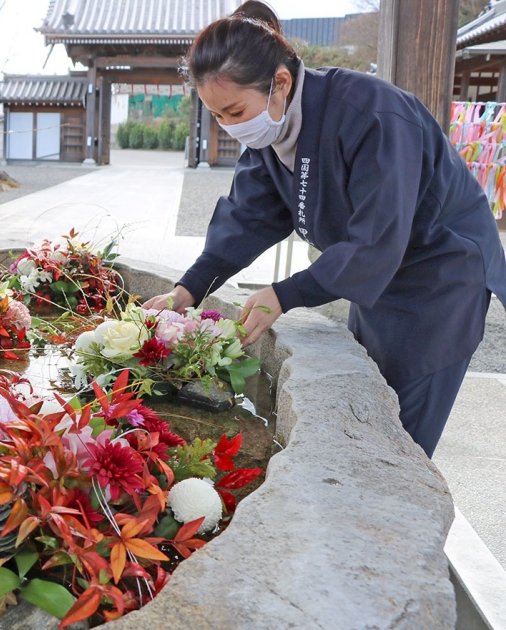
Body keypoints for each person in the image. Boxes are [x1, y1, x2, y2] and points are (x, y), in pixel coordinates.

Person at [144, 0, 506, 458]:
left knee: (398, 441)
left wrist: (285, 293)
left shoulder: (372, 113)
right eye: (217, 116)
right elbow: (247, 218)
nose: (229, 127)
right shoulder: (271, 129)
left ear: (280, 82)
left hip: (438, 278)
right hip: (373, 277)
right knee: (365, 403)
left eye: (235, 111)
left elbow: (378, 234)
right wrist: (188, 289)